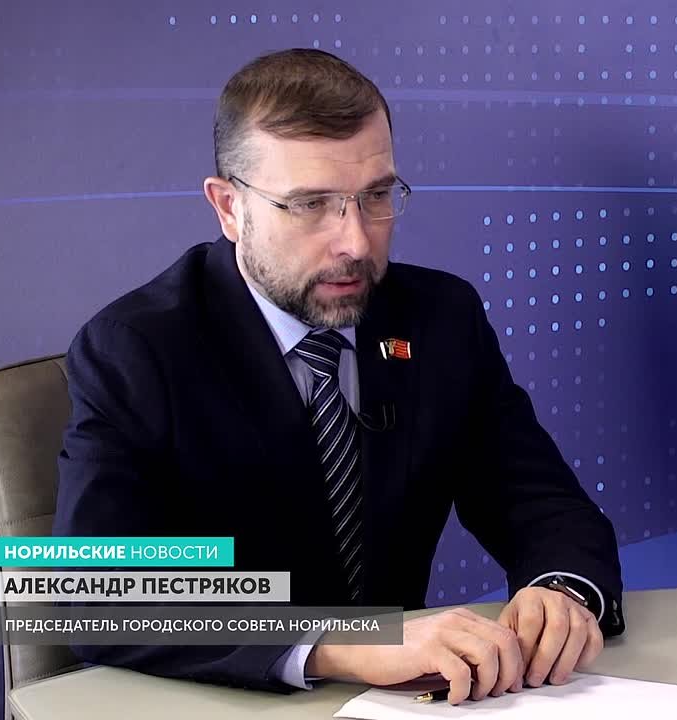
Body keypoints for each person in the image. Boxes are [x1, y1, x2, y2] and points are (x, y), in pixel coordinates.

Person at [53, 48, 624, 705]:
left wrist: (559, 591)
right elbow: (84, 594)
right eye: (310, 205)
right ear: (229, 207)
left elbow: (543, 504)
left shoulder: (440, 318)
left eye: (376, 196)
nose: (355, 241)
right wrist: (342, 644)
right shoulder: (135, 348)